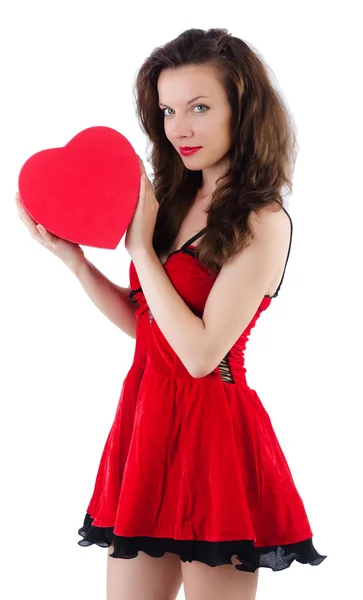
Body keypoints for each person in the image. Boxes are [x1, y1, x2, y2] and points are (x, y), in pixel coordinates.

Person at [16, 27, 326, 600]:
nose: (178, 127)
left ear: (244, 110)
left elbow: (201, 353)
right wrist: (76, 262)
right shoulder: (172, 200)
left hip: (213, 436)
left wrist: (138, 247)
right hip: (146, 420)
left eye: (200, 107)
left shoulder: (264, 220)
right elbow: (149, 330)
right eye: (166, 110)